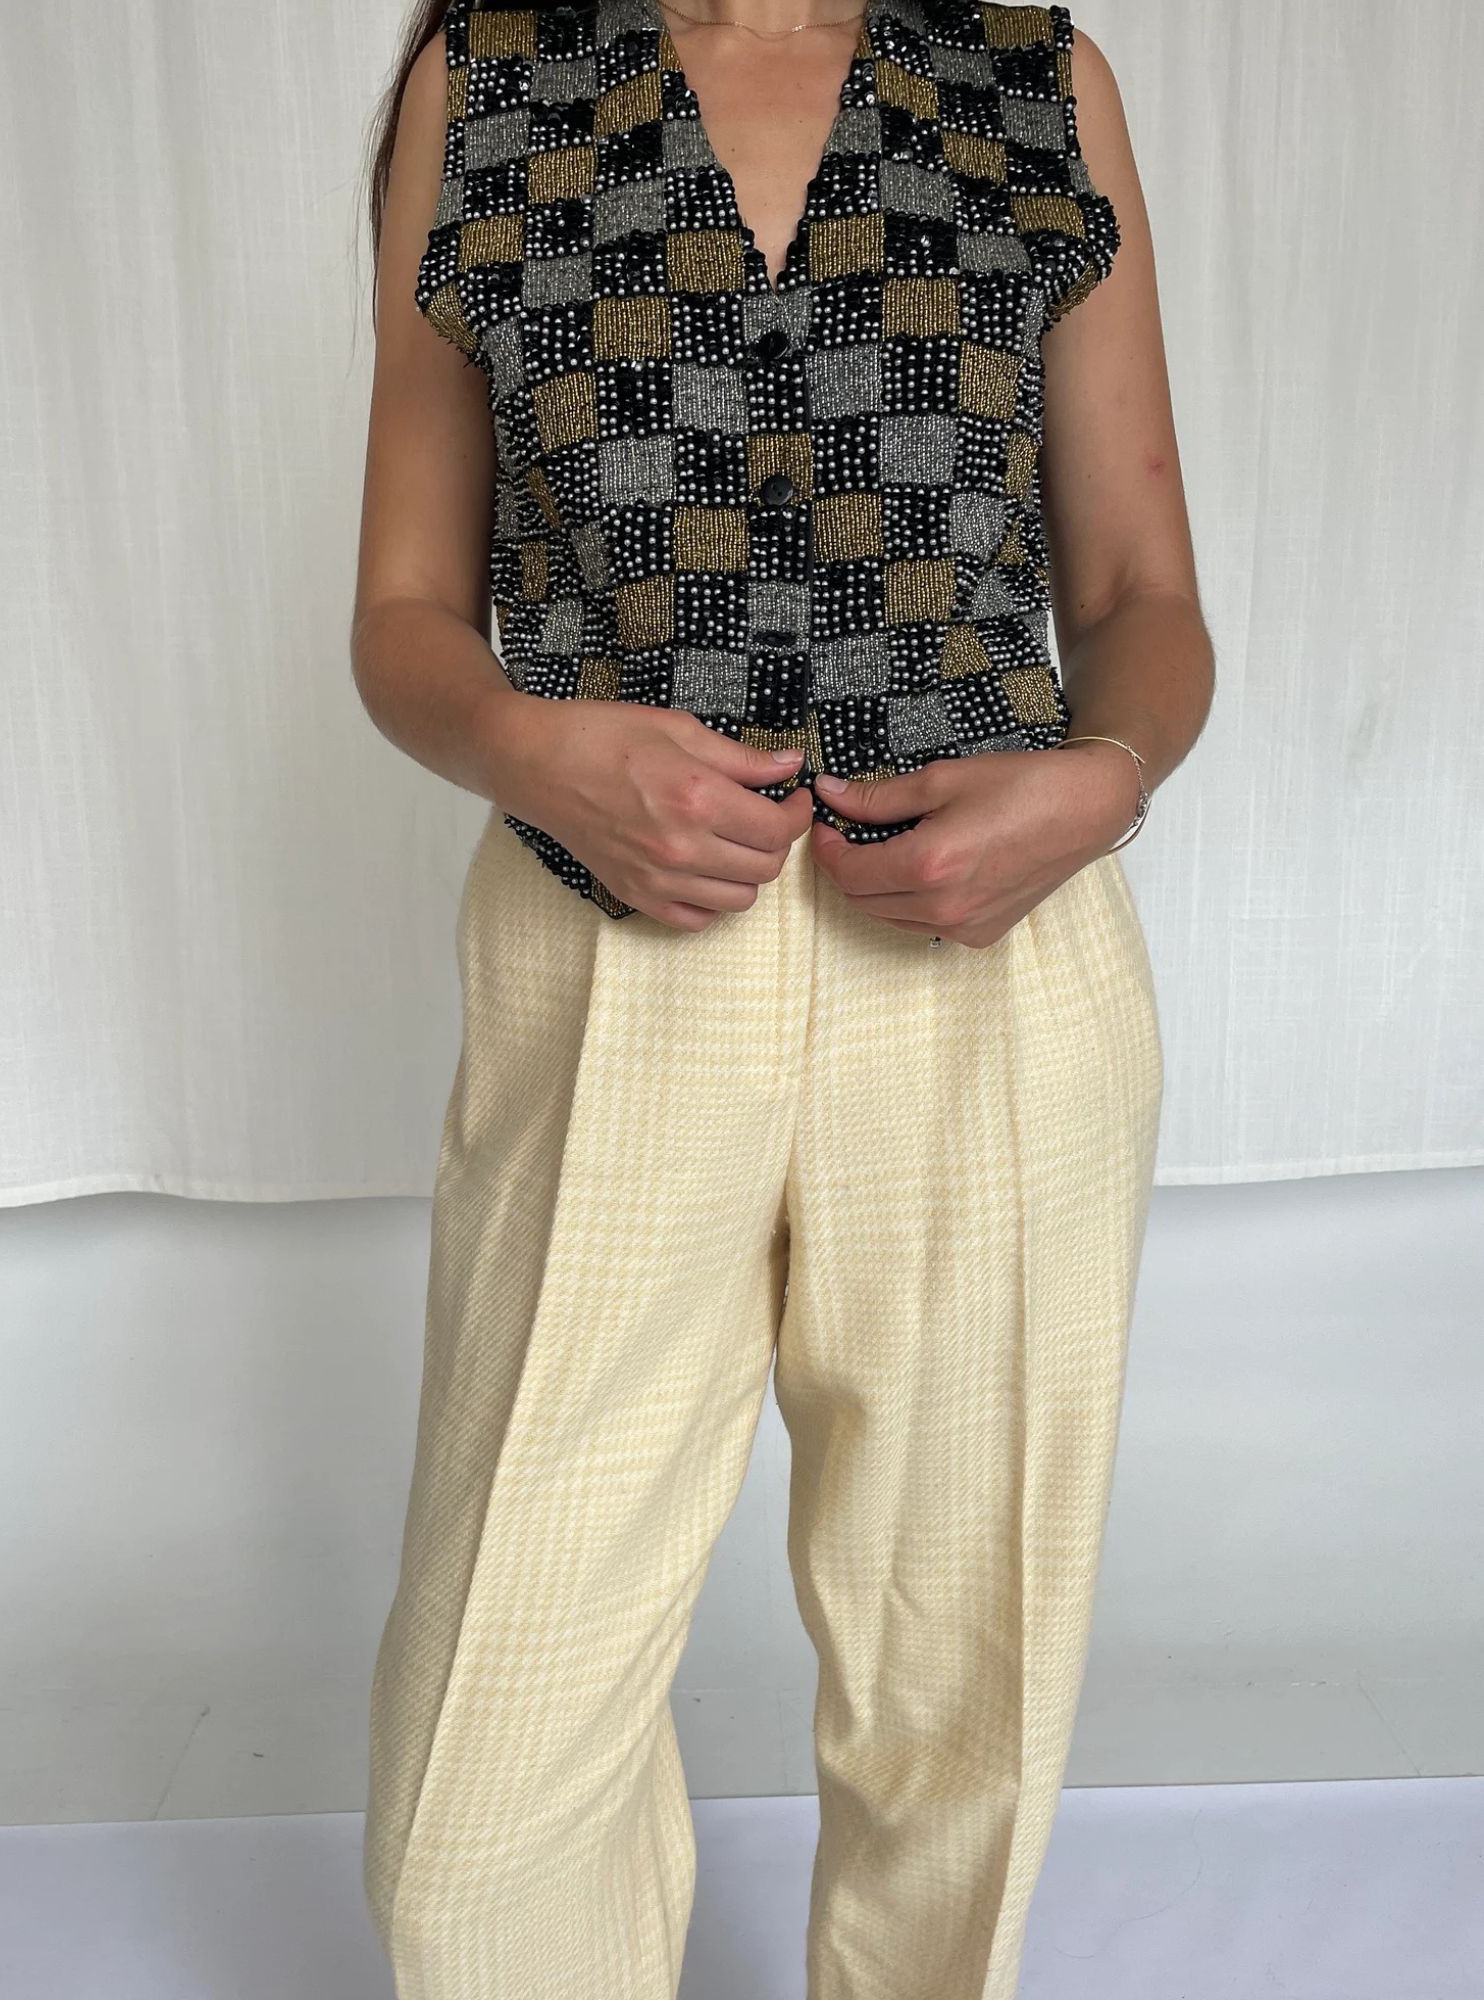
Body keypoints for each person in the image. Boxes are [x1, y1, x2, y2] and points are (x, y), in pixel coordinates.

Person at [350, 0, 1214, 1992]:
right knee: (487, 1748)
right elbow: (402, 615)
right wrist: (531, 748)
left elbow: (1141, 598)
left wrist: (1103, 781)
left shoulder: (1032, 78)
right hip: (606, 951)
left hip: (986, 965)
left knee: (961, 1680)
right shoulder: (492, 79)